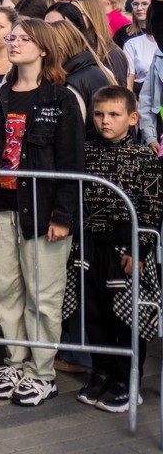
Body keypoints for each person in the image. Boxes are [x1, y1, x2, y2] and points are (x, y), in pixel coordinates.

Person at [0, 18, 83, 407]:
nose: (14, 43)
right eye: (12, 37)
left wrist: (63, 215)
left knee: (42, 295)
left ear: (44, 48)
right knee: (5, 292)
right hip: (0, 208)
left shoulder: (61, 99)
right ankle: (15, 363)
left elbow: (72, 163)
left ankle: (42, 373)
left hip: (42, 212)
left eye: (24, 38)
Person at [75, 85, 163, 413]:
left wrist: (139, 250)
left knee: (127, 316)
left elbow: (152, 208)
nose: (105, 121)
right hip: (89, 246)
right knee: (94, 313)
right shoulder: (84, 151)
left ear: (133, 118)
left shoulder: (144, 157)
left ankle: (128, 379)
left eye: (114, 114)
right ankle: (101, 372)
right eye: (99, 114)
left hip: (126, 249)